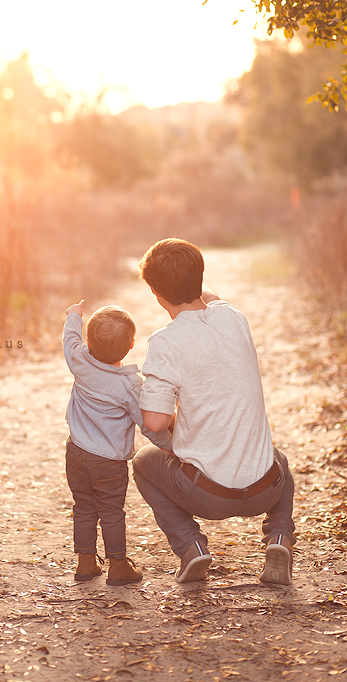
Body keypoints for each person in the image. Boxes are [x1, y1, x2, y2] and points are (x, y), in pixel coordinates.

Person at [132, 238, 295, 585]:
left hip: (208, 496)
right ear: (201, 279)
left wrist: (180, 425)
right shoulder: (233, 318)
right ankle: (279, 538)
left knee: (143, 463)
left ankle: (191, 547)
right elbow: (212, 298)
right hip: (266, 487)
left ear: (155, 294)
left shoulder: (165, 342)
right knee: (277, 459)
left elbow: (155, 421)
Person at [63, 300, 172, 585]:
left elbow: (69, 339)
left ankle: (85, 562)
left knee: (84, 507)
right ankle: (118, 565)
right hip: (108, 462)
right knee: (111, 512)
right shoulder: (130, 386)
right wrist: (171, 446)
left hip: (76, 452)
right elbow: (148, 424)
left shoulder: (79, 361)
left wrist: (73, 316)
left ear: (89, 342)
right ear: (132, 343)